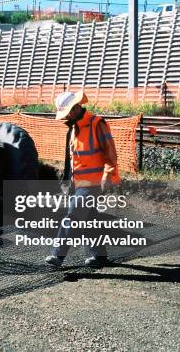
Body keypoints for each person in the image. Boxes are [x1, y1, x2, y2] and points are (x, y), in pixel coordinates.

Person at [45, 90, 121, 268]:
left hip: (94, 182)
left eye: (69, 111)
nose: (67, 116)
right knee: (90, 217)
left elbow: (111, 153)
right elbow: (73, 159)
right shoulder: (73, 128)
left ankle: (57, 254)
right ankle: (98, 256)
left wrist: (107, 176)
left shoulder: (97, 124)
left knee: (73, 215)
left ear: (77, 107)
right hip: (78, 182)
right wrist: (68, 181)